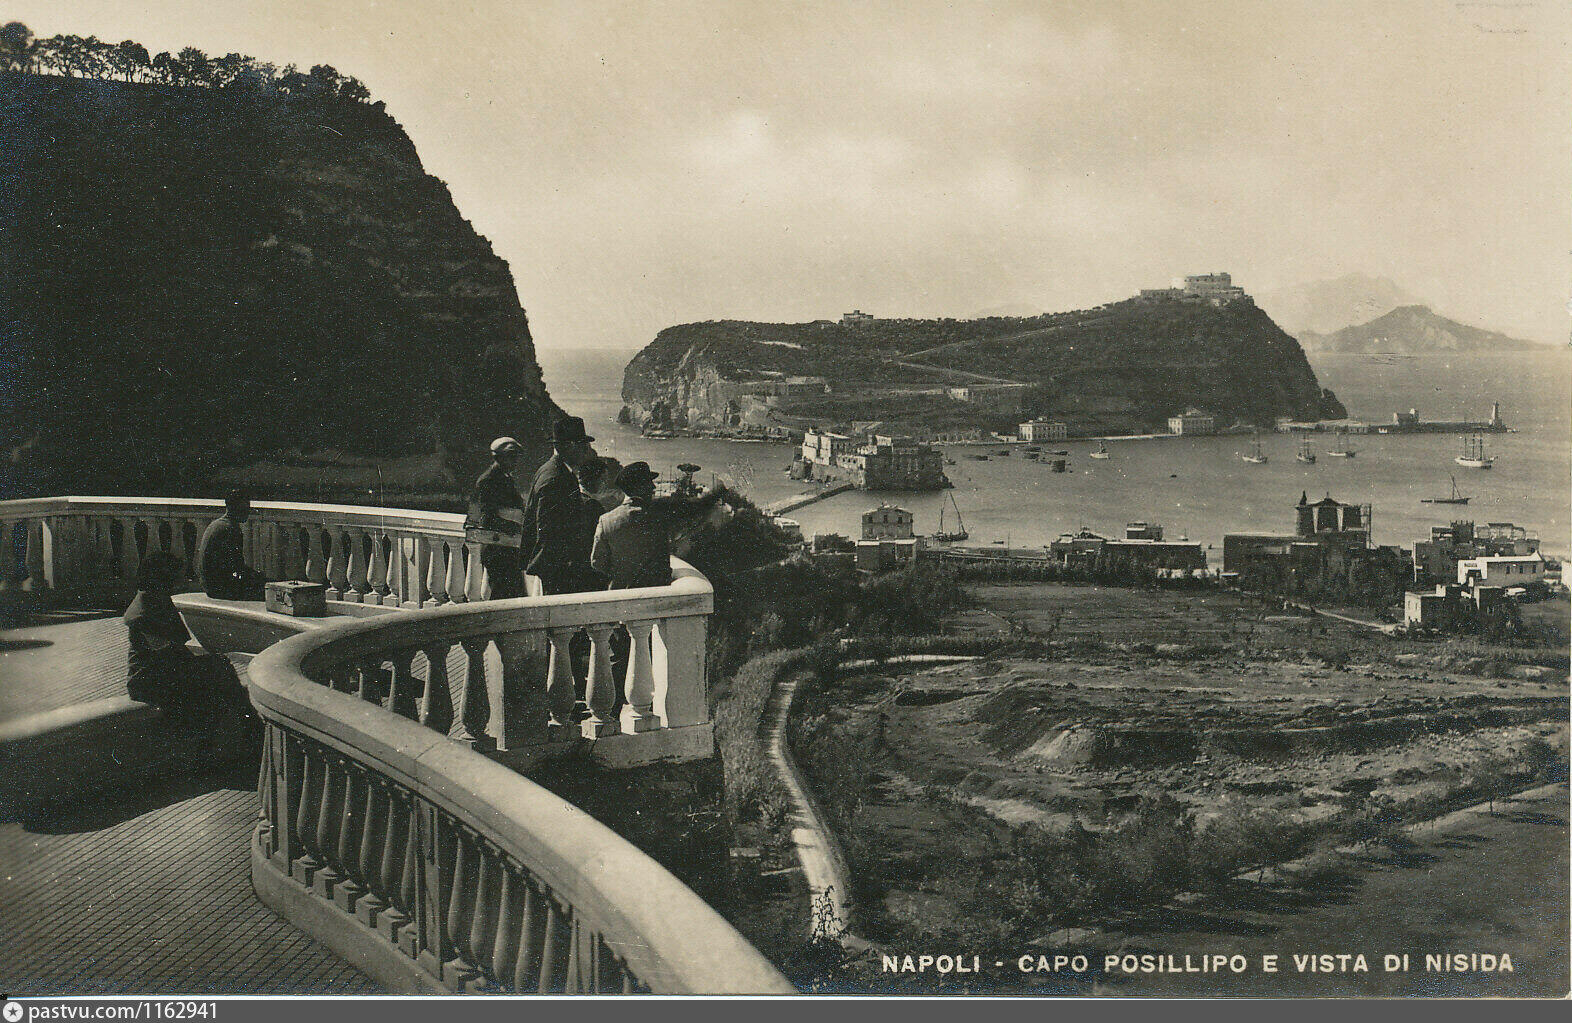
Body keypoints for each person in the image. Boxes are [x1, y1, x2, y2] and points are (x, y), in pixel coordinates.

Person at [124, 551, 259, 759]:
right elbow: (167, 653)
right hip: (149, 680)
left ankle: (243, 727)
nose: (178, 582)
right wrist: (203, 668)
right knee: (216, 677)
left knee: (218, 672)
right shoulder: (144, 610)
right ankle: (248, 727)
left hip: (160, 673)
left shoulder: (153, 599)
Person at [521, 416, 600, 595]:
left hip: (556, 569)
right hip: (559, 571)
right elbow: (547, 530)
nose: (586, 451)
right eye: (583, 445)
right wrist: (568, 566)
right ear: (571, 446)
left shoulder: (549, 470)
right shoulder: (557, 478)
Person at [590, 462, 673, 591]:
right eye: (648, 482)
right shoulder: (657, 519)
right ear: (639, 487)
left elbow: (597, 563)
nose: (653, 486)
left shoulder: (606, 520)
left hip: (619, 594)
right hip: (654, 594)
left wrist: (620, 574)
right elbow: (664, 563)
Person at [468, 436, 528, 599]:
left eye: (516, 456)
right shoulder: (489, 480)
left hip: (507, 547)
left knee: (512, 595)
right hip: (497, 549)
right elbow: (485, 517)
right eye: (510, 456)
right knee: (502, 595)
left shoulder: (505, 477)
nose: (515, 461)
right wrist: (513, 527)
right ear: (497, 457)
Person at [198, 489, 268, 600]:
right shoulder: (231, 529)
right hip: (219, 589)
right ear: (234, 508)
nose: (248, 512)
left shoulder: (216, 524)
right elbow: (238, 567)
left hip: (208, 585)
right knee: (268, 589)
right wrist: (260, 577)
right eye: (245, 508)